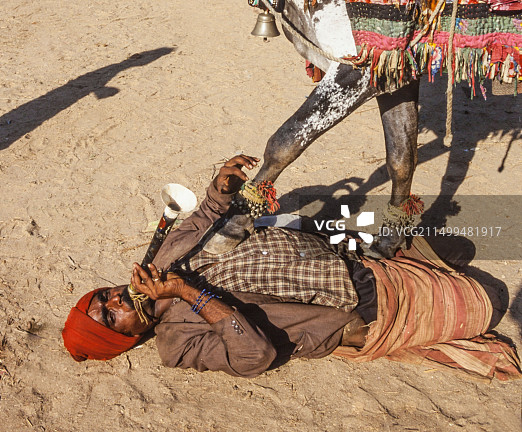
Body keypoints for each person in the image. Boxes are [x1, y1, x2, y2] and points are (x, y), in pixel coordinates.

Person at [62, 155, 521, 380]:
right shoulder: (176, 344)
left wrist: (220, 187)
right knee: (491, 301)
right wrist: (187, 293)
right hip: (360, 305)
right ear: (123, 337)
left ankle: (411, 256)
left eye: (103, 296)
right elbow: (252, 356)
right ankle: (420, 266)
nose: (115, 300)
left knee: (455, 249)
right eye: (109, 316)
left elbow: (203, 217)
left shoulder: (158, 261)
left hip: (343, 257)